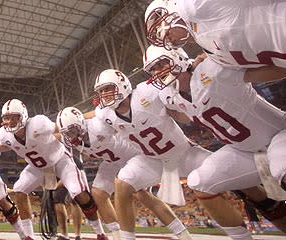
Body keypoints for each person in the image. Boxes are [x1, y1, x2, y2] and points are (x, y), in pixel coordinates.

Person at [142, 44, 286, 233]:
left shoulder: (211, 67)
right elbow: (183, 114)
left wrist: (222, 58)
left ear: (178, 56)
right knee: (199, 181)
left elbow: (275, 69)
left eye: (161, 63)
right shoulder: (169, 95)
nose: (158, 71)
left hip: (277, 135)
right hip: (244, 150)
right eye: (153, 69)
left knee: (282, 170)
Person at [93, 69, 224, 240]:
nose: (104, 94)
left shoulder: (147, 92)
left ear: (122, 85)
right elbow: (92, 124)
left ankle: (265, 204)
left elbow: (181, 110)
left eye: (107, 88)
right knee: (123, 182)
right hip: (152, 159)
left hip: (183, 153)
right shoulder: (104, 114)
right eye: (101, 91)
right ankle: (126, 238)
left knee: (226, 169)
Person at [56, 106, 193, 240]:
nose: (71, 135)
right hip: (112, 161)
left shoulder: (99, 125)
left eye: (72, 130)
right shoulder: (71, 138)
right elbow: (52, 136)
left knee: (141, 194)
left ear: (81, 122)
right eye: (67, 133)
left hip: (133, 155)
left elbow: (107, 112)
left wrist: (91, 114)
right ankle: (117, 235)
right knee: (98, 193)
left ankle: (182, 233)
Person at [0, 99, 108, 240]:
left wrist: (94, 115)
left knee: (79, 192)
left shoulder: (38, 124)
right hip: (37, 167)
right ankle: (28, 236)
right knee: (19, 189)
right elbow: (2, 144)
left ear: (23, 116)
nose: (10, 121)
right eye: (7, 118)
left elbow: (62, 127)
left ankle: (100, 233)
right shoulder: (4, 134)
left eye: (14, 117)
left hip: (60, 160)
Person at [144, 0, 286, 69]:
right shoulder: (214, 55)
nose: (162, 36)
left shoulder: (193, 5)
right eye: (157, 35)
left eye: (158, 28)